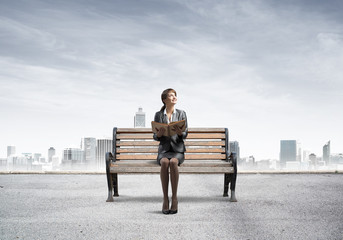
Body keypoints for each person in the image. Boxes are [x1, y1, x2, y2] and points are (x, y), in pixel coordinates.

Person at [153, 88, 188, 214]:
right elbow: (155, 136)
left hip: (177, 150)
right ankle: (165, 199)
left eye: (175, 95)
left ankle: (174, 198)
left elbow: (185, 134)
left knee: (173, 162)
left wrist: (180, 133)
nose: (174, 97)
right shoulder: (158, 115)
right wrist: (159, 134)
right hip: (164, 150)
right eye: (171, 96)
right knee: (164, 162)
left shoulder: (181, 113)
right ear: (164, 100)